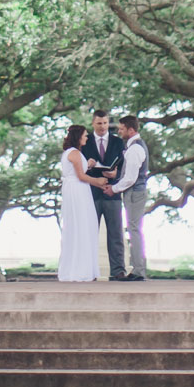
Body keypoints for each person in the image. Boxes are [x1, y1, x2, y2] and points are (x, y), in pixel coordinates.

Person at [79, 109, 127, 279]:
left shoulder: (117, 142)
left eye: (105, 123)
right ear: (93, 123)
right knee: (90, 233)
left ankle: (118, 271)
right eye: (99, 123)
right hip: (91, 193)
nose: (102, 127)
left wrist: (116, 175)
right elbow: (78, 166)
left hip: (112, 193)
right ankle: (89, 271)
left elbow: (124, 166)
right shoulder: (85, 142)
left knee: (116, 233)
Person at [57, 124, 108, 283]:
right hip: (78, 191)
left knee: (80, 226)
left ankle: (80, 267)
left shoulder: (70, 153)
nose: (87, 137)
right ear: (78, 137)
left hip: (75, 189)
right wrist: (98, 181)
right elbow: (81, 176)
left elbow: (77, 171)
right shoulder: (75, 153)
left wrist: (89, 164)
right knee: (82, 226)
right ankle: (80, 270)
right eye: (85, 135)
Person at [109, 115, 150, 281]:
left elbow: (130, 178)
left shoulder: (135, 149)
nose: (119, 131)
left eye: (121, 129)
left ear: (131, 130)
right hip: (135, 191)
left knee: (134, 229)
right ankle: (138, 269)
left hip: (134, 193)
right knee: (134, 229)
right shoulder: (135, 146)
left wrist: (114, 189)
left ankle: (139, 270)